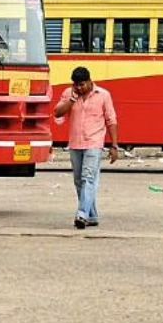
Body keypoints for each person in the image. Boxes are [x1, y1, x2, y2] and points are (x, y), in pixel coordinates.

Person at [54, 67, 119, 229]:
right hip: (75, 143)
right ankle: (92, 215)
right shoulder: (69, 94)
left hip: (94, 143)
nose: (79, 88)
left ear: (90, 81)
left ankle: (82, 214)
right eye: (76, 85)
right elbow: (57, 113)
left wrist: (114, 145)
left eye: (82, 85)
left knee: (88, 178)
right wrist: (72, 100)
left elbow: (111, 120)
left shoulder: (103, 95)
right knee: (78, 181)